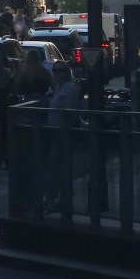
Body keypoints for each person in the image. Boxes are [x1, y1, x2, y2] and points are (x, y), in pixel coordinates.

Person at [45, 61, 84, 210]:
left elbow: (69, 109)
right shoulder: (58, 87)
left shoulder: (69, 88)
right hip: (56, 130)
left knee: (56, 165)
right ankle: (63, 196)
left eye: (60, 70)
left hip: (63, 131)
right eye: (54, 70)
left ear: (67, 72)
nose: (56, 73)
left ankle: (55, 197)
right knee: (59, 165)